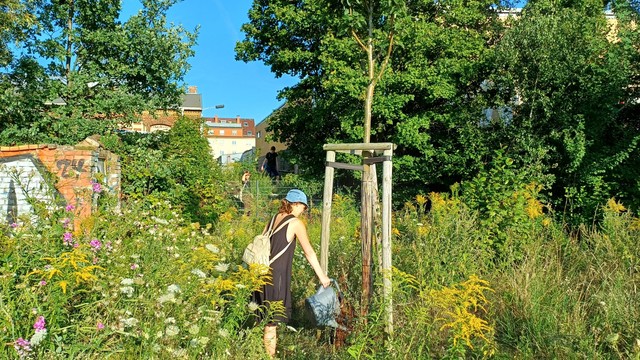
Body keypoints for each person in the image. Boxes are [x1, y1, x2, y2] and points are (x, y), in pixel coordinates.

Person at [252, 189, 330, 358]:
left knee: (262, 318)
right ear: (296, 204)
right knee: (271, 324)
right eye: (304, 207)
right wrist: (322, 276)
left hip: (260, 273)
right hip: (276, 276)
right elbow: (309, 252)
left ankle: (257, 352)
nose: (304, 211)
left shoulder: (272, 219)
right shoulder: (295, 223)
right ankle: (269, 357)